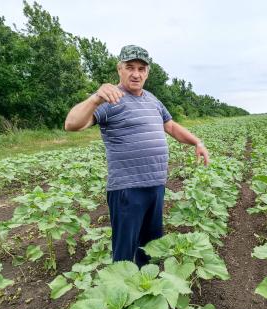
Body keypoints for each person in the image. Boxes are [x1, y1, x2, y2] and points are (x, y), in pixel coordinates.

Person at [64, 44, 209, 267]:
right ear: (119, 69)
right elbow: (72, 124)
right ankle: (121, 295)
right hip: (127, 189)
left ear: (147, 72)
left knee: (151, 247)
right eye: (130, 67)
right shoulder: (109, 100)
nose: (136, 73)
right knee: (124, 252)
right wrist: (95, 98)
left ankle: (148, 293)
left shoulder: (152, 100)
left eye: (141, 68)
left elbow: (170, 127)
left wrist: (196, 142)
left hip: (156, 186)